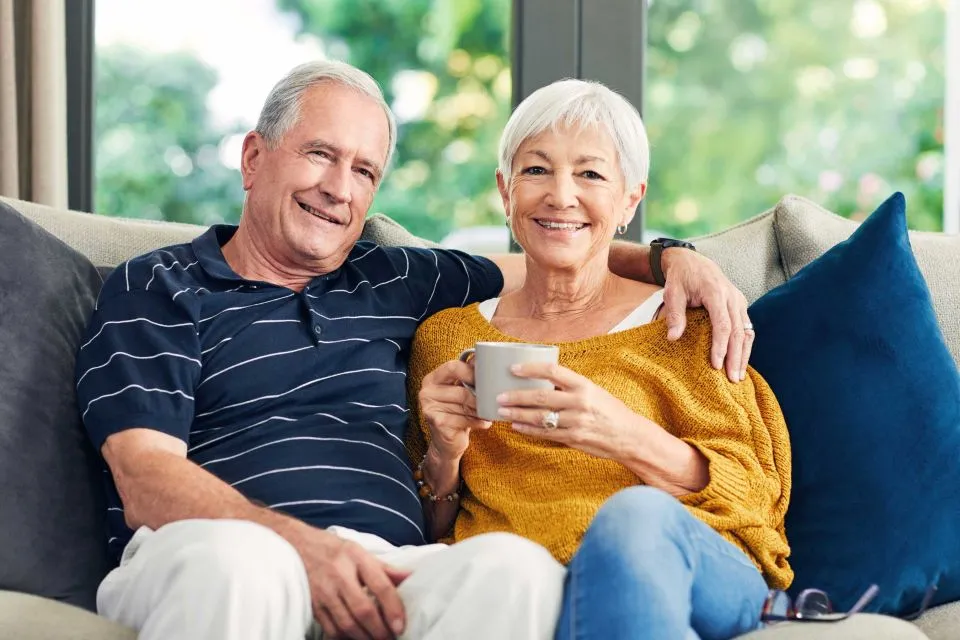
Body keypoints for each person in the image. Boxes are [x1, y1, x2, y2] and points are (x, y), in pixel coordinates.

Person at [76, 60, 755, 640]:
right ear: (255, 157)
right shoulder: (161, 284)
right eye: (320, 154)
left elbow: (559, 245)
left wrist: (673, 259)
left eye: (364, 170)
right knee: (240, 565)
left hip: (385, 561)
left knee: (512, 570)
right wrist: (301, 547)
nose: (339, 189)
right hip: (215, 547)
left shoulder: (396, 278)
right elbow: (144, 479)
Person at [410, 78, 792, 640]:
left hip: (692, 565)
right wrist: (444, 454)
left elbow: (756, 497)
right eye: (536, 170)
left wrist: (620, 433)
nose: (561, 195)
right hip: (526, 585)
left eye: (590, 174)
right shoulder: (449, 339)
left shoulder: (685, 321)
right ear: (505, 190)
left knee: (632, 519)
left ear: (629, 200)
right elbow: (431, 531)